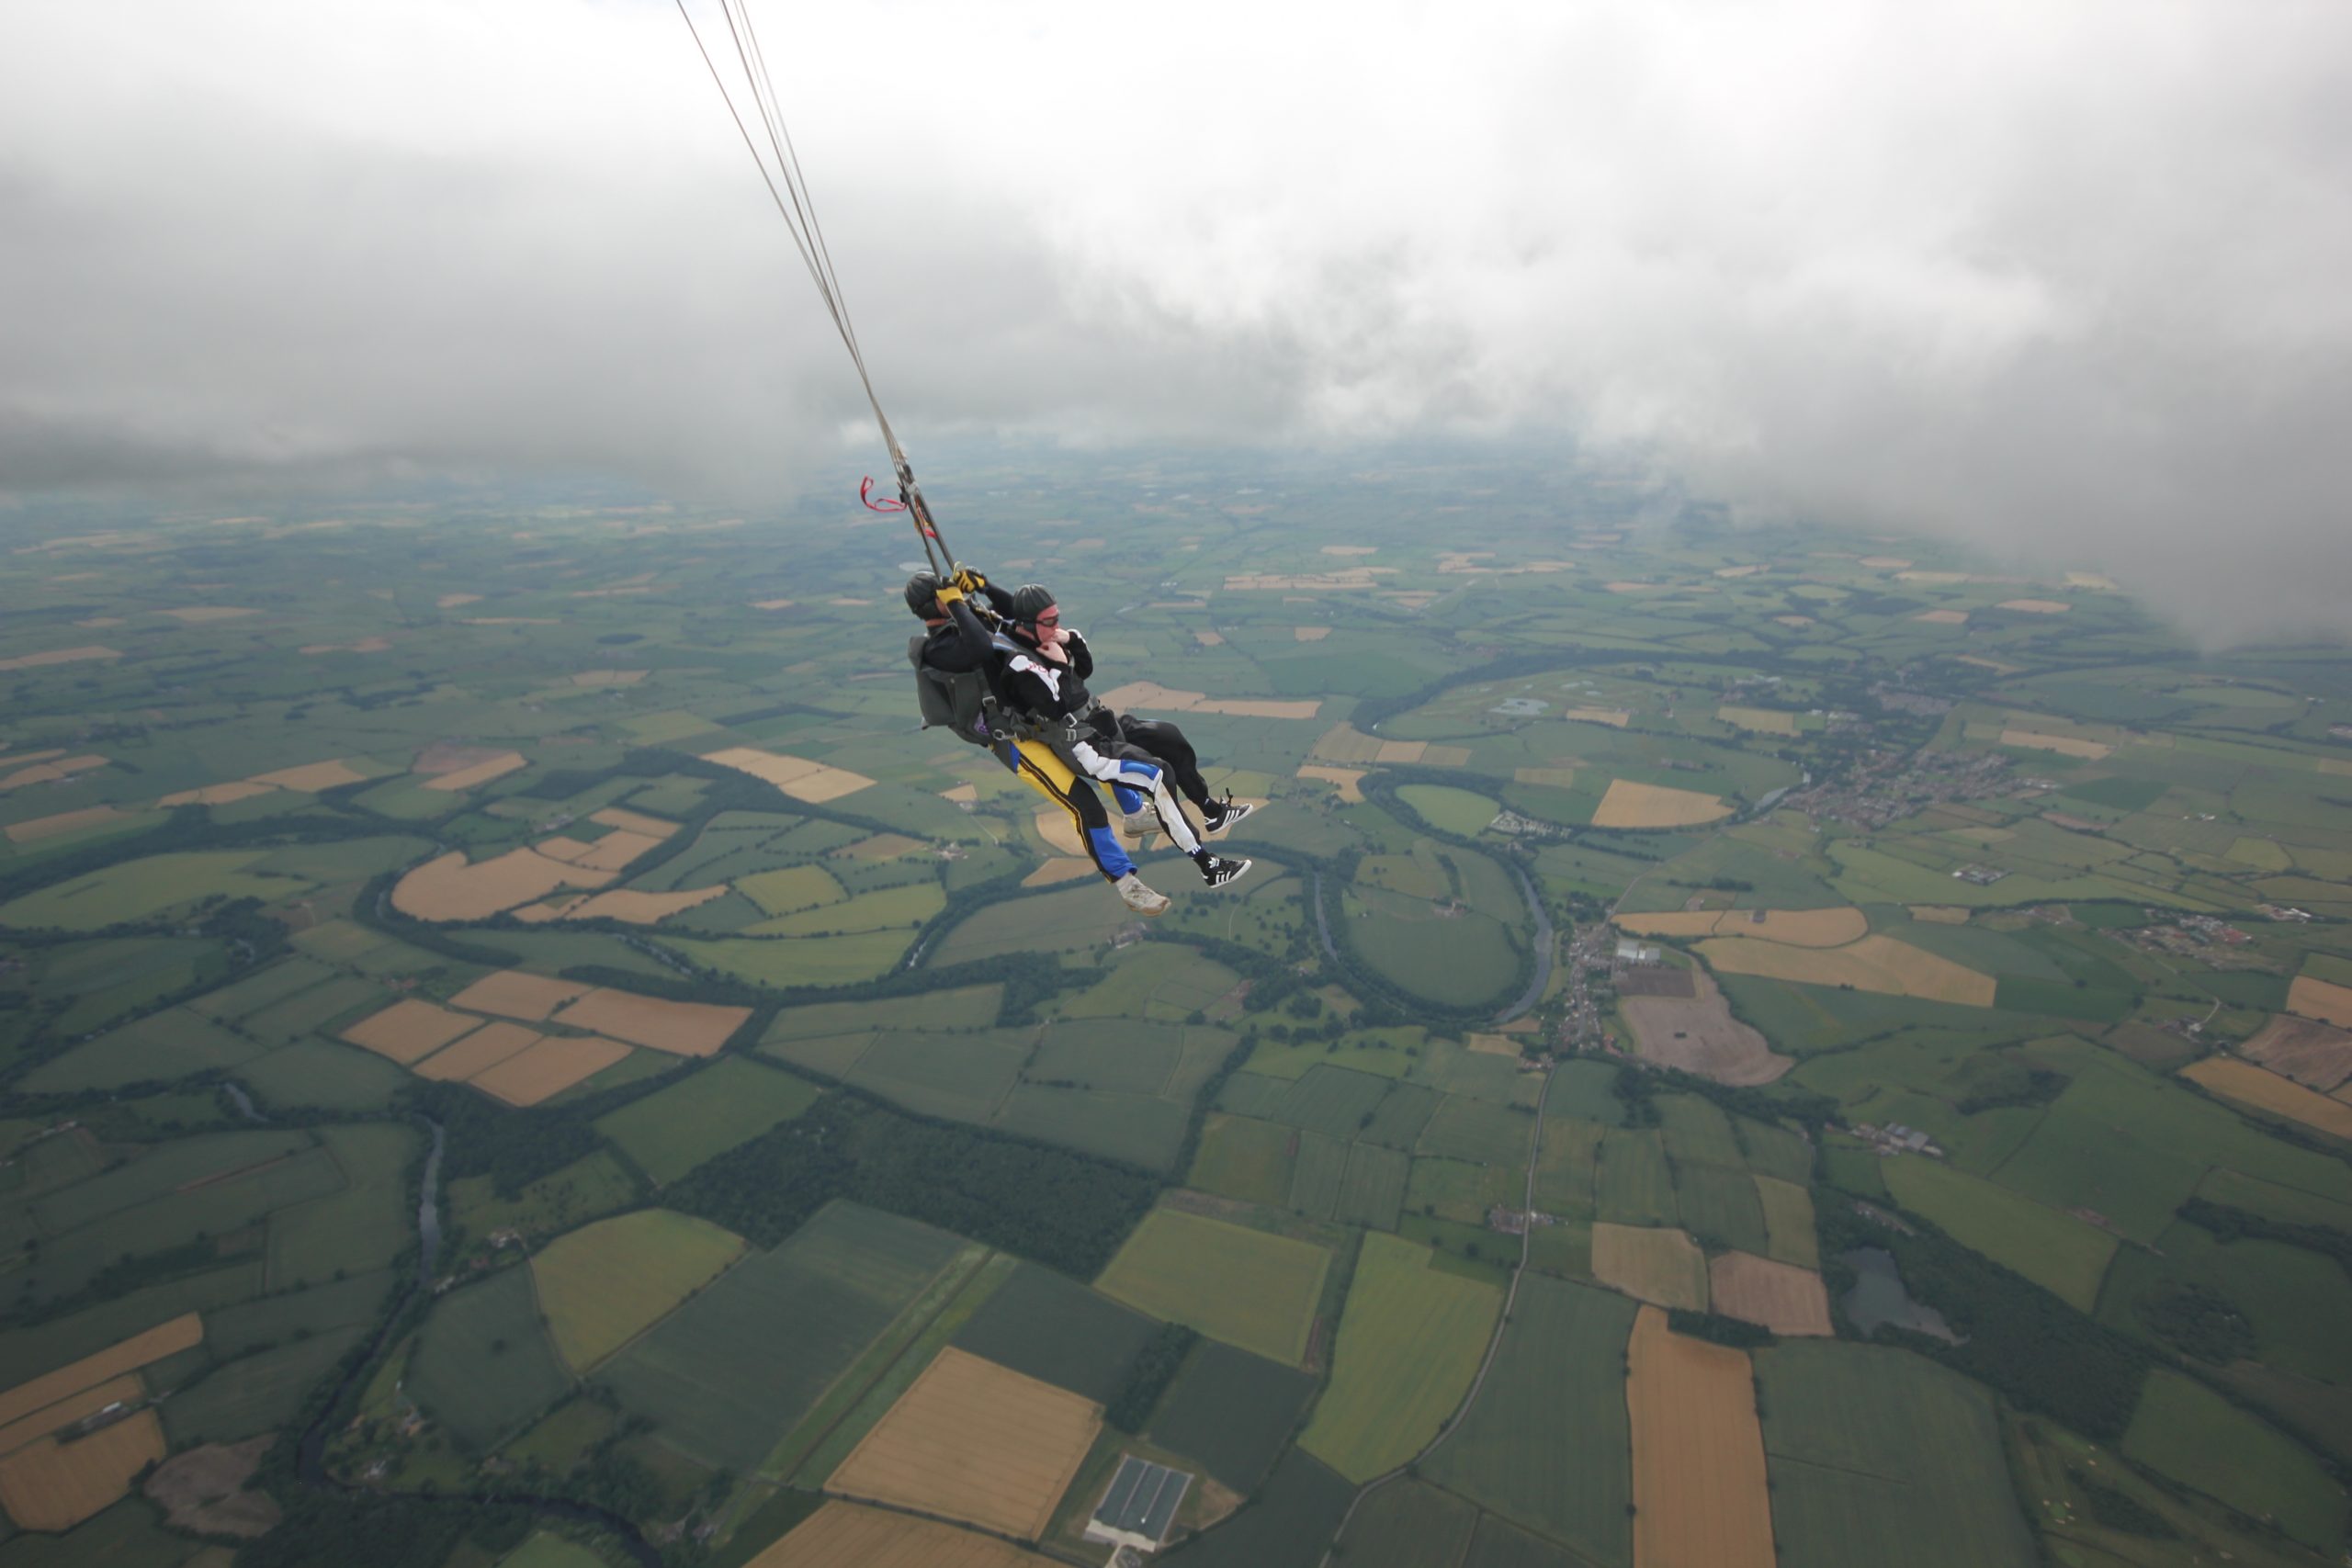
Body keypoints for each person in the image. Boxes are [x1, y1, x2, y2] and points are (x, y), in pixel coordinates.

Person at [904, 570, 1170, 918]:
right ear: (936, 603)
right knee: (1083, 804)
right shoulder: (938, 649)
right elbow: (980, 648)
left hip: (1035, 724)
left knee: (1101, 755)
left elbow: (1016, 618)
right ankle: (1125, 882)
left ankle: (1134, 815)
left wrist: (983, 588)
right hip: (1016, 742)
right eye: (945, 594)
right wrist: (957, 604)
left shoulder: (964, 624)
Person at [985, 582, 1252, 890]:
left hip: (1100, 721)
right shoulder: (1019, 664)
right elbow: (1056, 707)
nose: (1057, 625)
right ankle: (1207, 865)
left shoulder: (1047, 639)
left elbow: (1085, 669)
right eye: (1050, 621)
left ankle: (1211, 810)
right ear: (1029, 624)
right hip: (1084, 745)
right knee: (1158, 775)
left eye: (1058, 617)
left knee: (1168, 737)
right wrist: (1059, 665)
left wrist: (1070, 640)